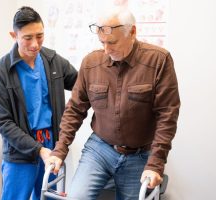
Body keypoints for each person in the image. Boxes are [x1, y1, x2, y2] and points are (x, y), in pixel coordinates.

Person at [45, 6, 180, 200]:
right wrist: (59, 151)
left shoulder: (159, 61)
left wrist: (155, 163)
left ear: (132, 32)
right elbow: (74, 110)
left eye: (113, 42)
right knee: (77, 197)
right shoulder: (92, 63)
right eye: (102, 42)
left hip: (139, 154)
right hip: (99, 149)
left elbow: (167, 115)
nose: (107, 50)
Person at [0, 6, 77, 200]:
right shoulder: (1, 72)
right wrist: (38, 149)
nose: (35, 44)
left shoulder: (53, 61)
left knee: (48, 197)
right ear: (14, 35)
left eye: (40, 36)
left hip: (51, 146)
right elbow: (3, 123)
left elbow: (81, 84)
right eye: (28, 38)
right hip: (19, 151)